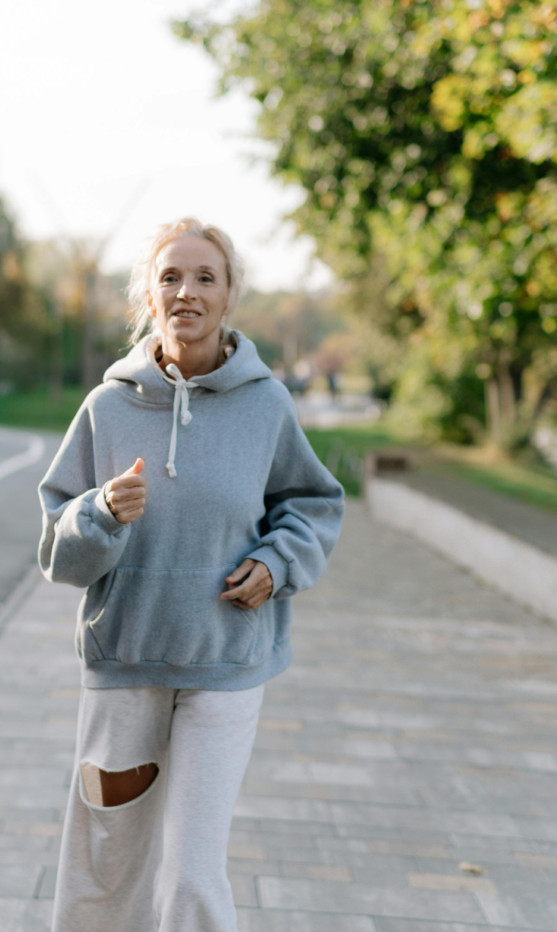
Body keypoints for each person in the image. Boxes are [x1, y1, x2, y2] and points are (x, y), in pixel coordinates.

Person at [39, 218, 345, 932]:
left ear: (229, 295)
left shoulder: (265, 403)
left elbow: (313, 502)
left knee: (190, 871)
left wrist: (276, 563)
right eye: (170, 276)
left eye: (204, 277)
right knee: (105, 861)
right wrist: (100, 513)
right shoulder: (107, 407)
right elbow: (57, 550)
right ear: (148, 295)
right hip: (125, 663)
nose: (186, 291)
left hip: (224, 663)